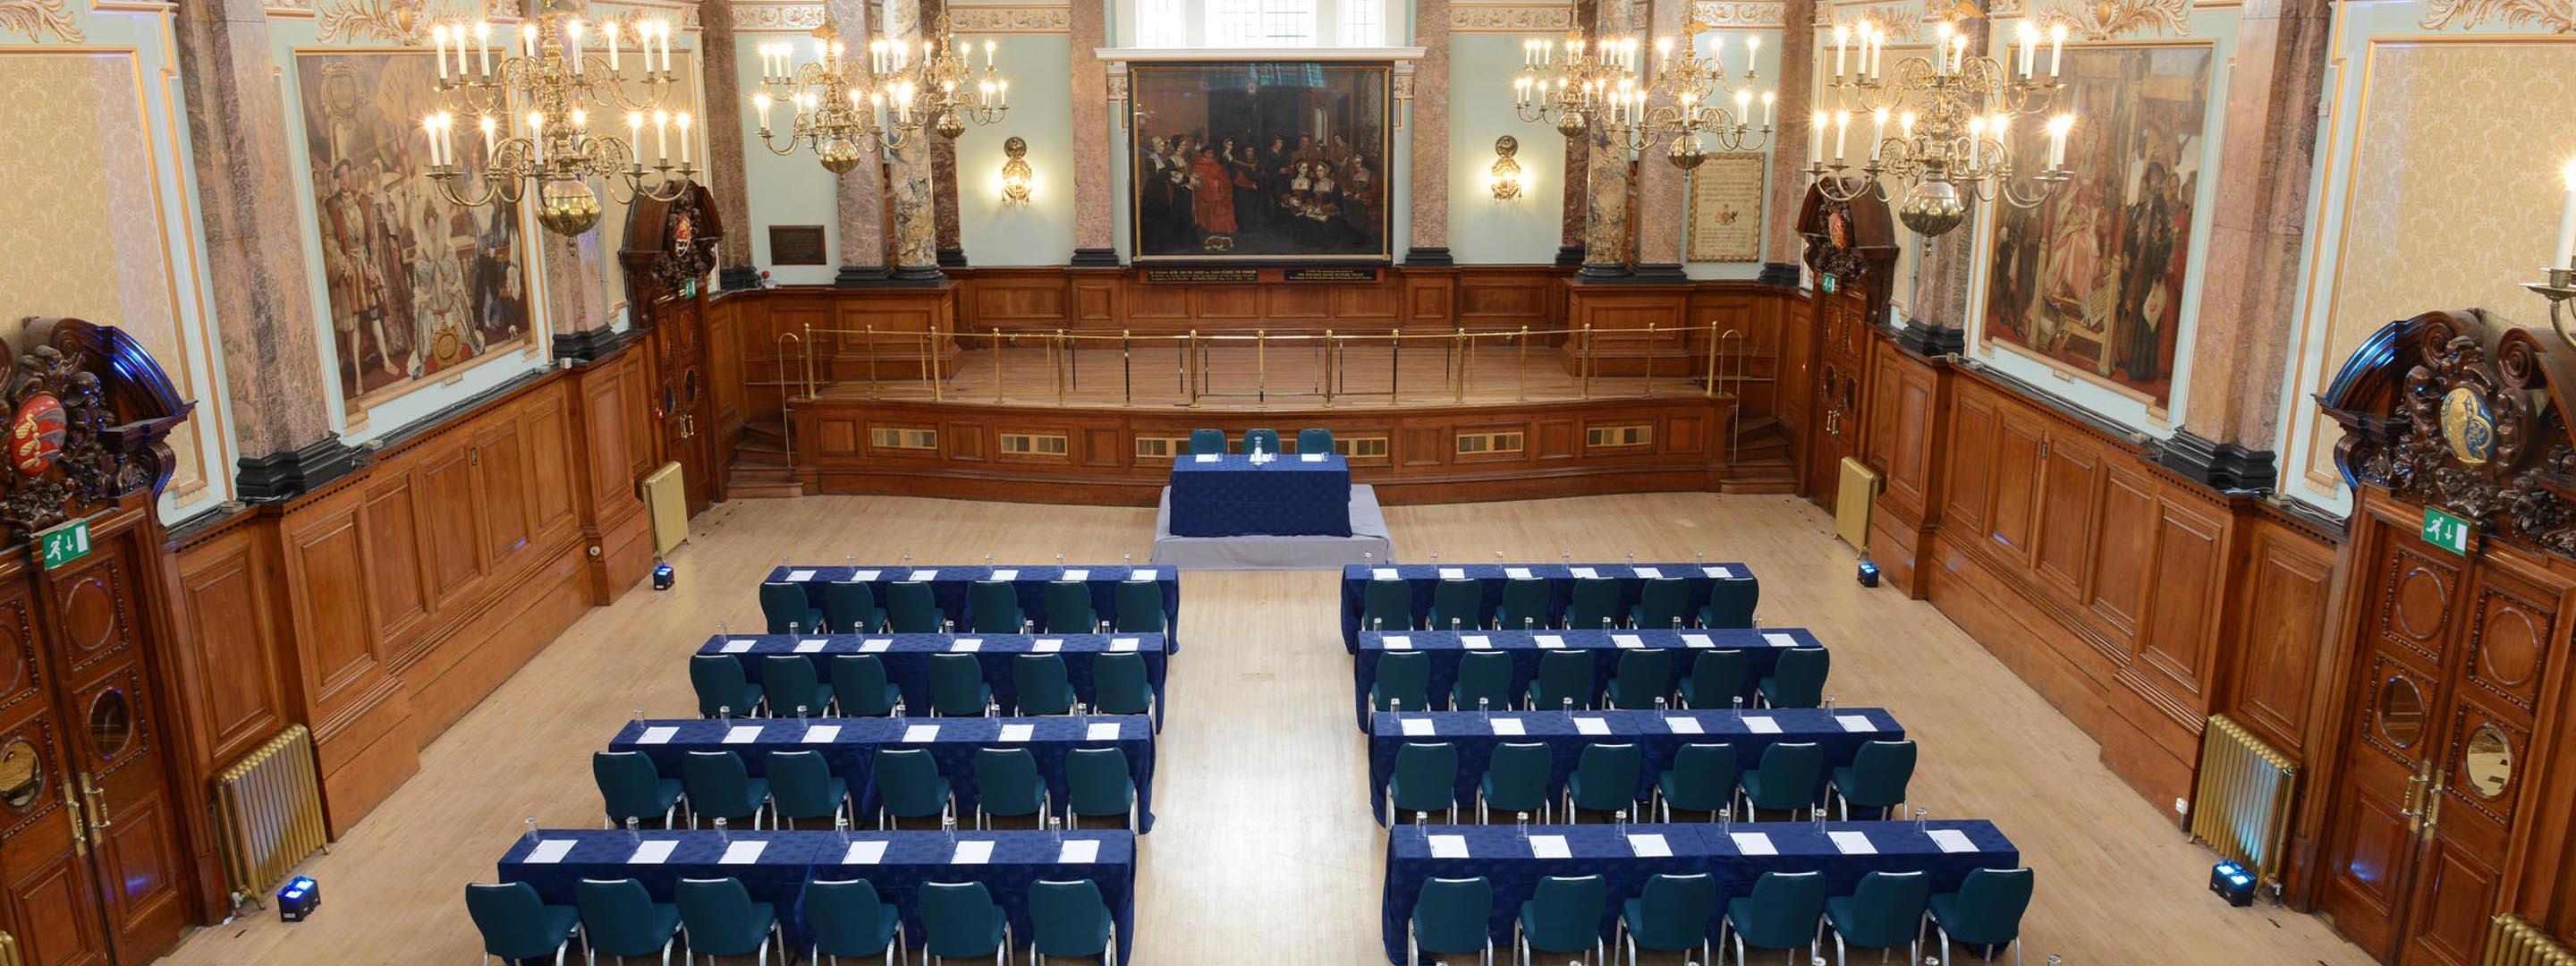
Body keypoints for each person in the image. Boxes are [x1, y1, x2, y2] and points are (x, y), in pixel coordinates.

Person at [1189, 147, 1237, 250]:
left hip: (1219, 193)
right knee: (1209, 217)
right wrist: (1209, 184)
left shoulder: (1215, 164)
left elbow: (1223, 176)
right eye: (1208, 153)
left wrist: (1220, 184)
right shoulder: (1198, 165)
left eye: (1211, 152)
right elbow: (1196, 181)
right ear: (1204, 154)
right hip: (1205, 196)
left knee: (1222, 213)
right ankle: (1211, 238)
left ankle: (1221, 237)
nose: (1210, 154)